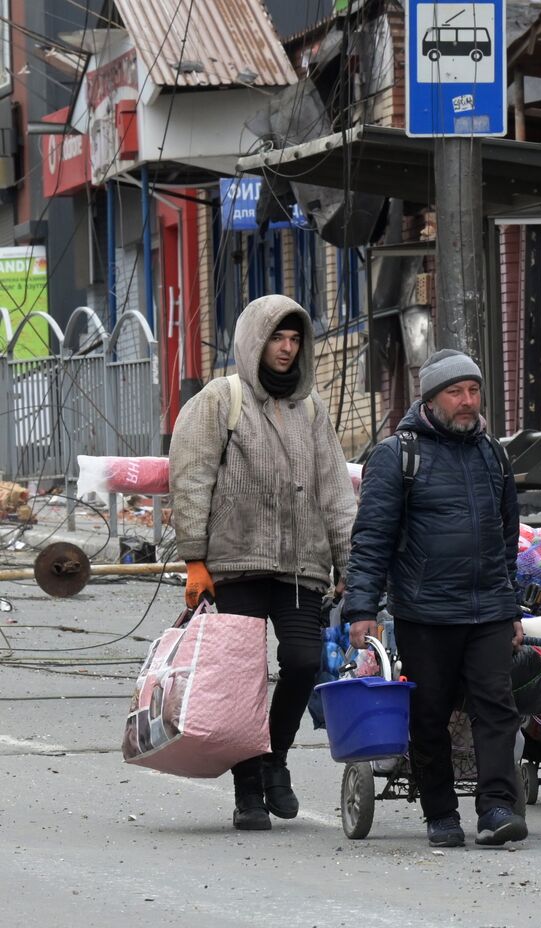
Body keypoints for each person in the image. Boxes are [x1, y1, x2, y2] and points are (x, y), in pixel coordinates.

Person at [169, 294, 357, 831]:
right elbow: (191, 477)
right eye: (278, 337)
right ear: (257, 339)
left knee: (302, 662)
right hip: (235, 564)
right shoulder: (219, 400)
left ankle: (273, 758)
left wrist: (352, 566)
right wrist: (195, 561)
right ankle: (248, 789)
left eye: (296, 339)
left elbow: (336, 495)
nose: (287, 348)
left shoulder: (311, 409)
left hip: (300, 566)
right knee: (242, 681)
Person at [343, 348, 527, 848]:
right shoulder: (396, 455)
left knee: (497, 708)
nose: (468, 401)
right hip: (425, 611)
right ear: (431, 398)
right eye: (456, 392)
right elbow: (372, 539)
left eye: (473, 390)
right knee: (429, 713)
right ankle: (441, 813)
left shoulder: (493, 452)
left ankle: (495, 807)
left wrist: (511, 607)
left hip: (488, 608)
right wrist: (361, 610)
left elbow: (506, 536)